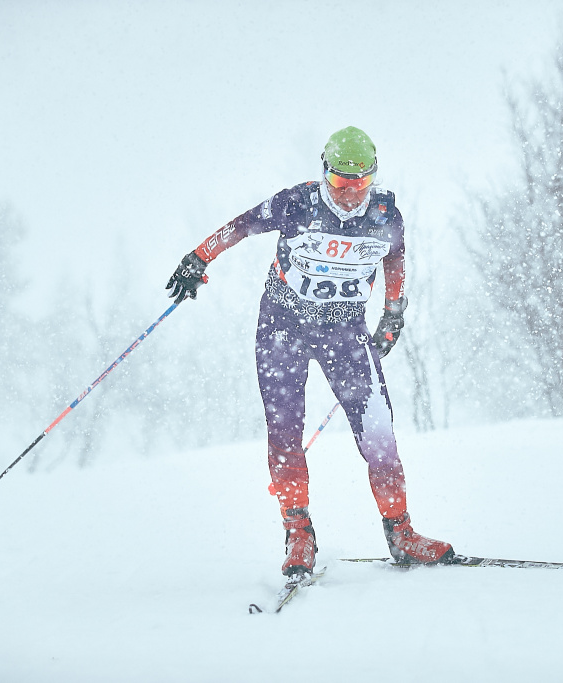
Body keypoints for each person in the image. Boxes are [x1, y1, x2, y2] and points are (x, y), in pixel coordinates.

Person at [165, 126, 455, 576]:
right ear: (324, 173)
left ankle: (401, 533)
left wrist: (393, 313)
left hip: (345, 332)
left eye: (360, 183)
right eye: (340, 183)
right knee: (284, 433)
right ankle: (298, 534)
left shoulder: (385, 216)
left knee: (378, 431)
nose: (350, 195)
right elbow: (242, 226)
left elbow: (394, 258)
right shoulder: (297, 202)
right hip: (284, 326)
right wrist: (198, 259)